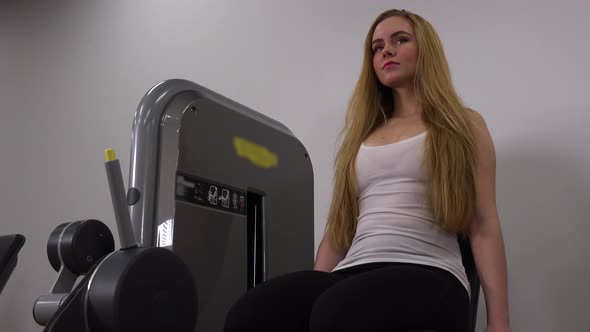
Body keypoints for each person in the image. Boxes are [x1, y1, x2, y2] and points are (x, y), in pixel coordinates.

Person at [224, 8, 510, 332]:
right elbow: (338, 231)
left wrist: (499, 322)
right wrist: (312, 289)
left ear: (426, 50)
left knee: (336, 312)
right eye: (377, 47)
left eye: (399, 40)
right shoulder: (362, 136)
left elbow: (482, 220)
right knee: (249, 315)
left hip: (432, 273)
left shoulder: (463, 124)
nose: (386, 50)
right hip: (355, 272)